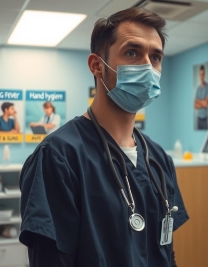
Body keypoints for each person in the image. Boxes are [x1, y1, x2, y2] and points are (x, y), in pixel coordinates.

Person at [19, 7, 189, 267]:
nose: (147, 66)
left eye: (155, 57)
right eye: (132, 52)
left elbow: (167, 254)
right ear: (97, 66)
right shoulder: (59, 156)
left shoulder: (158, 159)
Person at [194, 65, 208, 130]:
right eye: (200, 74)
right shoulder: (198, 89)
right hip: (199, 118)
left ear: (205, 75)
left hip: (205, 118)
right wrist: (203, 102)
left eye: (203, 74)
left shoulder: (207, 87)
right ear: (199, 75)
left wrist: (199, 101)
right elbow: (195, 105)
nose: (202, 76)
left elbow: (206, 104)